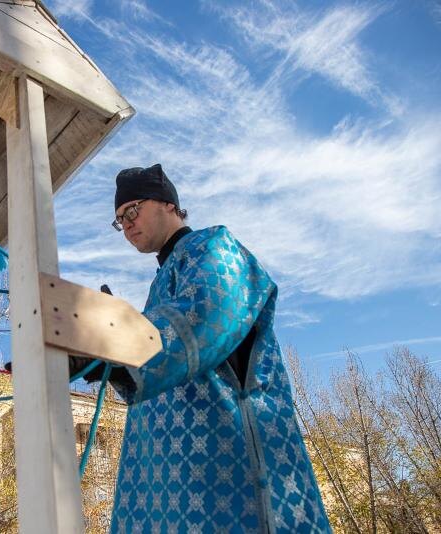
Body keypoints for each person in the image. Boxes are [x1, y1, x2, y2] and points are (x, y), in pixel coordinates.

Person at [101, 164, 331, 533]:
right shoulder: (160, 285)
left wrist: (116, 340)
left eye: (132, 210)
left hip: (229, 475)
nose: (126, 224)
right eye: (118, 220)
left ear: (168, 204)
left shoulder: (214, 247)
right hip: (172, 486)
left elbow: (208, 313)